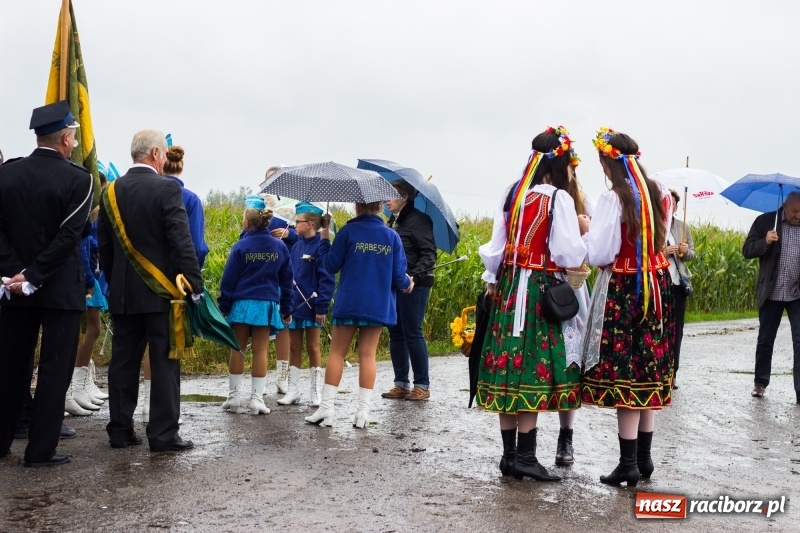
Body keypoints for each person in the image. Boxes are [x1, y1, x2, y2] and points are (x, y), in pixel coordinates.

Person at [475, 126, 586, 482]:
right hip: (538, 288)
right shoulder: (558, 199)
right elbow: (568, 253)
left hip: (508, 288)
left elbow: (496, 247)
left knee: (507, 362)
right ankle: (525, 456)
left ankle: (509, 457)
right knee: (529, 367)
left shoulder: (512, 193)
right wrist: (583, 234)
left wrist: (493, 281)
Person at [579, 127, 675, 487]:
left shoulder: (613, 198)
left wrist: (587, 231)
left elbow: (602, 252)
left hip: (626, 285)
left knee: (628, 374)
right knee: (647, 367)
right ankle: (644, 459)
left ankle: (628, 463)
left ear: (609, 162)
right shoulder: (659, 193)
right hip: (657, 284)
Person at [0, 101, 93, 467]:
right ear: (66, 138)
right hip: (59, 290)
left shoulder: (6, 174)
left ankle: (1, 440)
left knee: (10, 368)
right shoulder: (80, 179)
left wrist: (16, 275)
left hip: (13, 289)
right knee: (55, 372)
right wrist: (35, 276)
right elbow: (69, 235)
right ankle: (40, 450)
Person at [98, 129, 203, 453]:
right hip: (161, 295)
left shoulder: (111, 192)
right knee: (164, 362)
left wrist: (117, 285)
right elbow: (181, 241)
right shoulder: (167, 189)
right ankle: (163, 435)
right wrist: (194, 285)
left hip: (125, 293)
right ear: (157, 154)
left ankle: (120, 430)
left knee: (123, 363)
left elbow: (105, 247)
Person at [305, 201, 412, 428]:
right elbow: (399, 277)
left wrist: (324, 240)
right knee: (368, 355)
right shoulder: (392, 236)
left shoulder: (348, 231)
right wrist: (408, 283)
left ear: (357, 206)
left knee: (337, 353)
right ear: (378, 207)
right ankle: (362, 414)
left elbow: (330, 264)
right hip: (377, 305)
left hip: (350, 301)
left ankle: (327, 409)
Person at [140, 144, 208, 423]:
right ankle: (165, 414)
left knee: (143, 345)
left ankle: (145, 404)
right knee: (169, 348)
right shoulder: (190, 199)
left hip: (140, 278)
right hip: (175, 284)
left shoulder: (144, 192)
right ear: (181, 166)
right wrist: (193, 279)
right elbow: (197, 246)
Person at [218, 195, 293, 415]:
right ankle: (257, 400)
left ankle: (233, 399)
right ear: (267, 222)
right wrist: (287, 308)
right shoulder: (279, 247)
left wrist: (224, 306)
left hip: (241, 304)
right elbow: (287, 281)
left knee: (237, 349)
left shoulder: (241, 246)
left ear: (247, 223)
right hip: (266, 305)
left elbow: (228, 280)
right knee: (261, 351)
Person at [382, 180, 437, 401]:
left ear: (405, 196)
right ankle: (401, 383)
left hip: (416, 283)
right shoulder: (393, 221)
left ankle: (422, 385)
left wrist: (414, 275)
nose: (387, 199)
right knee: (395, 332)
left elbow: (429, 254)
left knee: (412, 332)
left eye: (391, 195)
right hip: (396, 283)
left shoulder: (419, 220)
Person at [743, 191, 800, 403]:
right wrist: (765, 241)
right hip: (771, 291)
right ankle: (760, 383)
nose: (797, 216)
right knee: (766, 339)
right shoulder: (766, 221)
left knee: (799, 341)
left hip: (797, 294)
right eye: (794, 211)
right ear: (784, 206)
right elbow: (747, 250)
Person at [278, 201, 334, 406]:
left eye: (298, 221)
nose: (294, 225)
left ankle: (315, 392)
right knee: (294, 347)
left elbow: (327, 278)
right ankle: (293, 391)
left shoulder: (321, 245)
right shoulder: (297, 246)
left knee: (313, 347)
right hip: (295, 305)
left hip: (312, 307)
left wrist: (322, 306)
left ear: (310, 224)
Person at [264, 166, 296, 395]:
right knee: (263, 326)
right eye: (268, 180)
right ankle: (260, 377)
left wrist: (288, 234)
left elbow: (304, 234)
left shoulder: (292, 208)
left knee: (284, 323)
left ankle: (282, 376)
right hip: (263, 270)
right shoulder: (258, 204)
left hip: (285, 270)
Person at [664, 189, 695, 389]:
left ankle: (672, 373)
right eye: (667, 202)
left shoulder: (682, 227)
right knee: (660, 329)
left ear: (676, 207)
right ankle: (659, 371)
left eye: (673, 203)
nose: (670, 206)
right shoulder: (655, 225)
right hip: (659, 285)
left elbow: (692, 253)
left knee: (677, 331)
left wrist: (684, 251)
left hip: (677, 285)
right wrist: (663, 251)